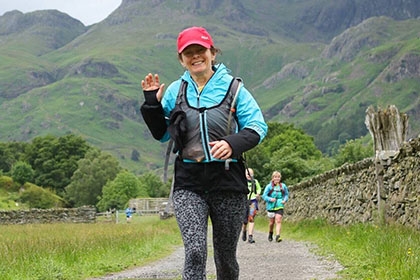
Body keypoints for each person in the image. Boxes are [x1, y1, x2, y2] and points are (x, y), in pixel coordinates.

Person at [140, 26, 267, 280]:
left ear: (212, 53)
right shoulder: (176, 90)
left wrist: (232, 143)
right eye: (189, 53)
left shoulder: (235, 88)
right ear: (181, 59)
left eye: (201, 50)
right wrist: (152, 103)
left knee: (225, 257)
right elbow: (162, 133)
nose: (195, 56)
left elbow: (257, 127)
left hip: (228, 180)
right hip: (189, 181)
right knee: (195, 252)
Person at [262, 171, 289, 242]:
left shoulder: (283, 186)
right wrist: (270, 199)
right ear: (272, 178)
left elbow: (286, 194)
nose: (277, 178)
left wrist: (284, 200)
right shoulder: (269, 186)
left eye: (278, 177)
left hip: (280, 205)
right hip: (271, 206)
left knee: (278, 220)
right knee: (271, 223)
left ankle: (277, 236)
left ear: (280, 178)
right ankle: (270, 233)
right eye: (275, 177)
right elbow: (264, 196)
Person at [241, 168, 261, 244]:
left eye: (251, 174)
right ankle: (244, 230)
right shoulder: (242, 182)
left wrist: (258, 194)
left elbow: (259, 189)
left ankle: (250, 236)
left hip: (253, 201)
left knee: (251, 218)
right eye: (247, 174)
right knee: (245, 220)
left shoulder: (255, 182)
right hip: (245, 201)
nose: (249, 175)